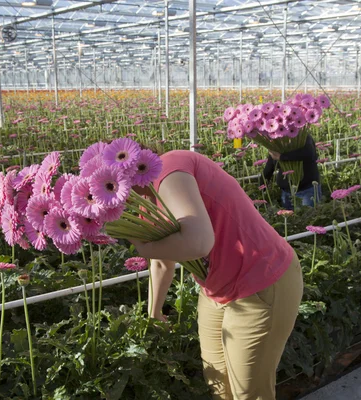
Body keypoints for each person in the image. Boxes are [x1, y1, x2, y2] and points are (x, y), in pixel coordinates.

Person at [130, 149, 304, 400]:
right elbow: (160, 264)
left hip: (262, 281)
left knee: (250, 394)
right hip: (216, 290)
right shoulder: (144, 202)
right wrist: (154, 313)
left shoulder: (170, 168)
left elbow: (199, 242)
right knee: (218, 386)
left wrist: (142, 247)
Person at [261, 134, 322, 210]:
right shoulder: (278, 143)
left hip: (306, 191)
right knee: (291, 221)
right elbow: (269, 167)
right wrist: (261, 189)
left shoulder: (302, 137)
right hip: (286, 193)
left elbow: (309, 153)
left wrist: (282, 157)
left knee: (308, 218)